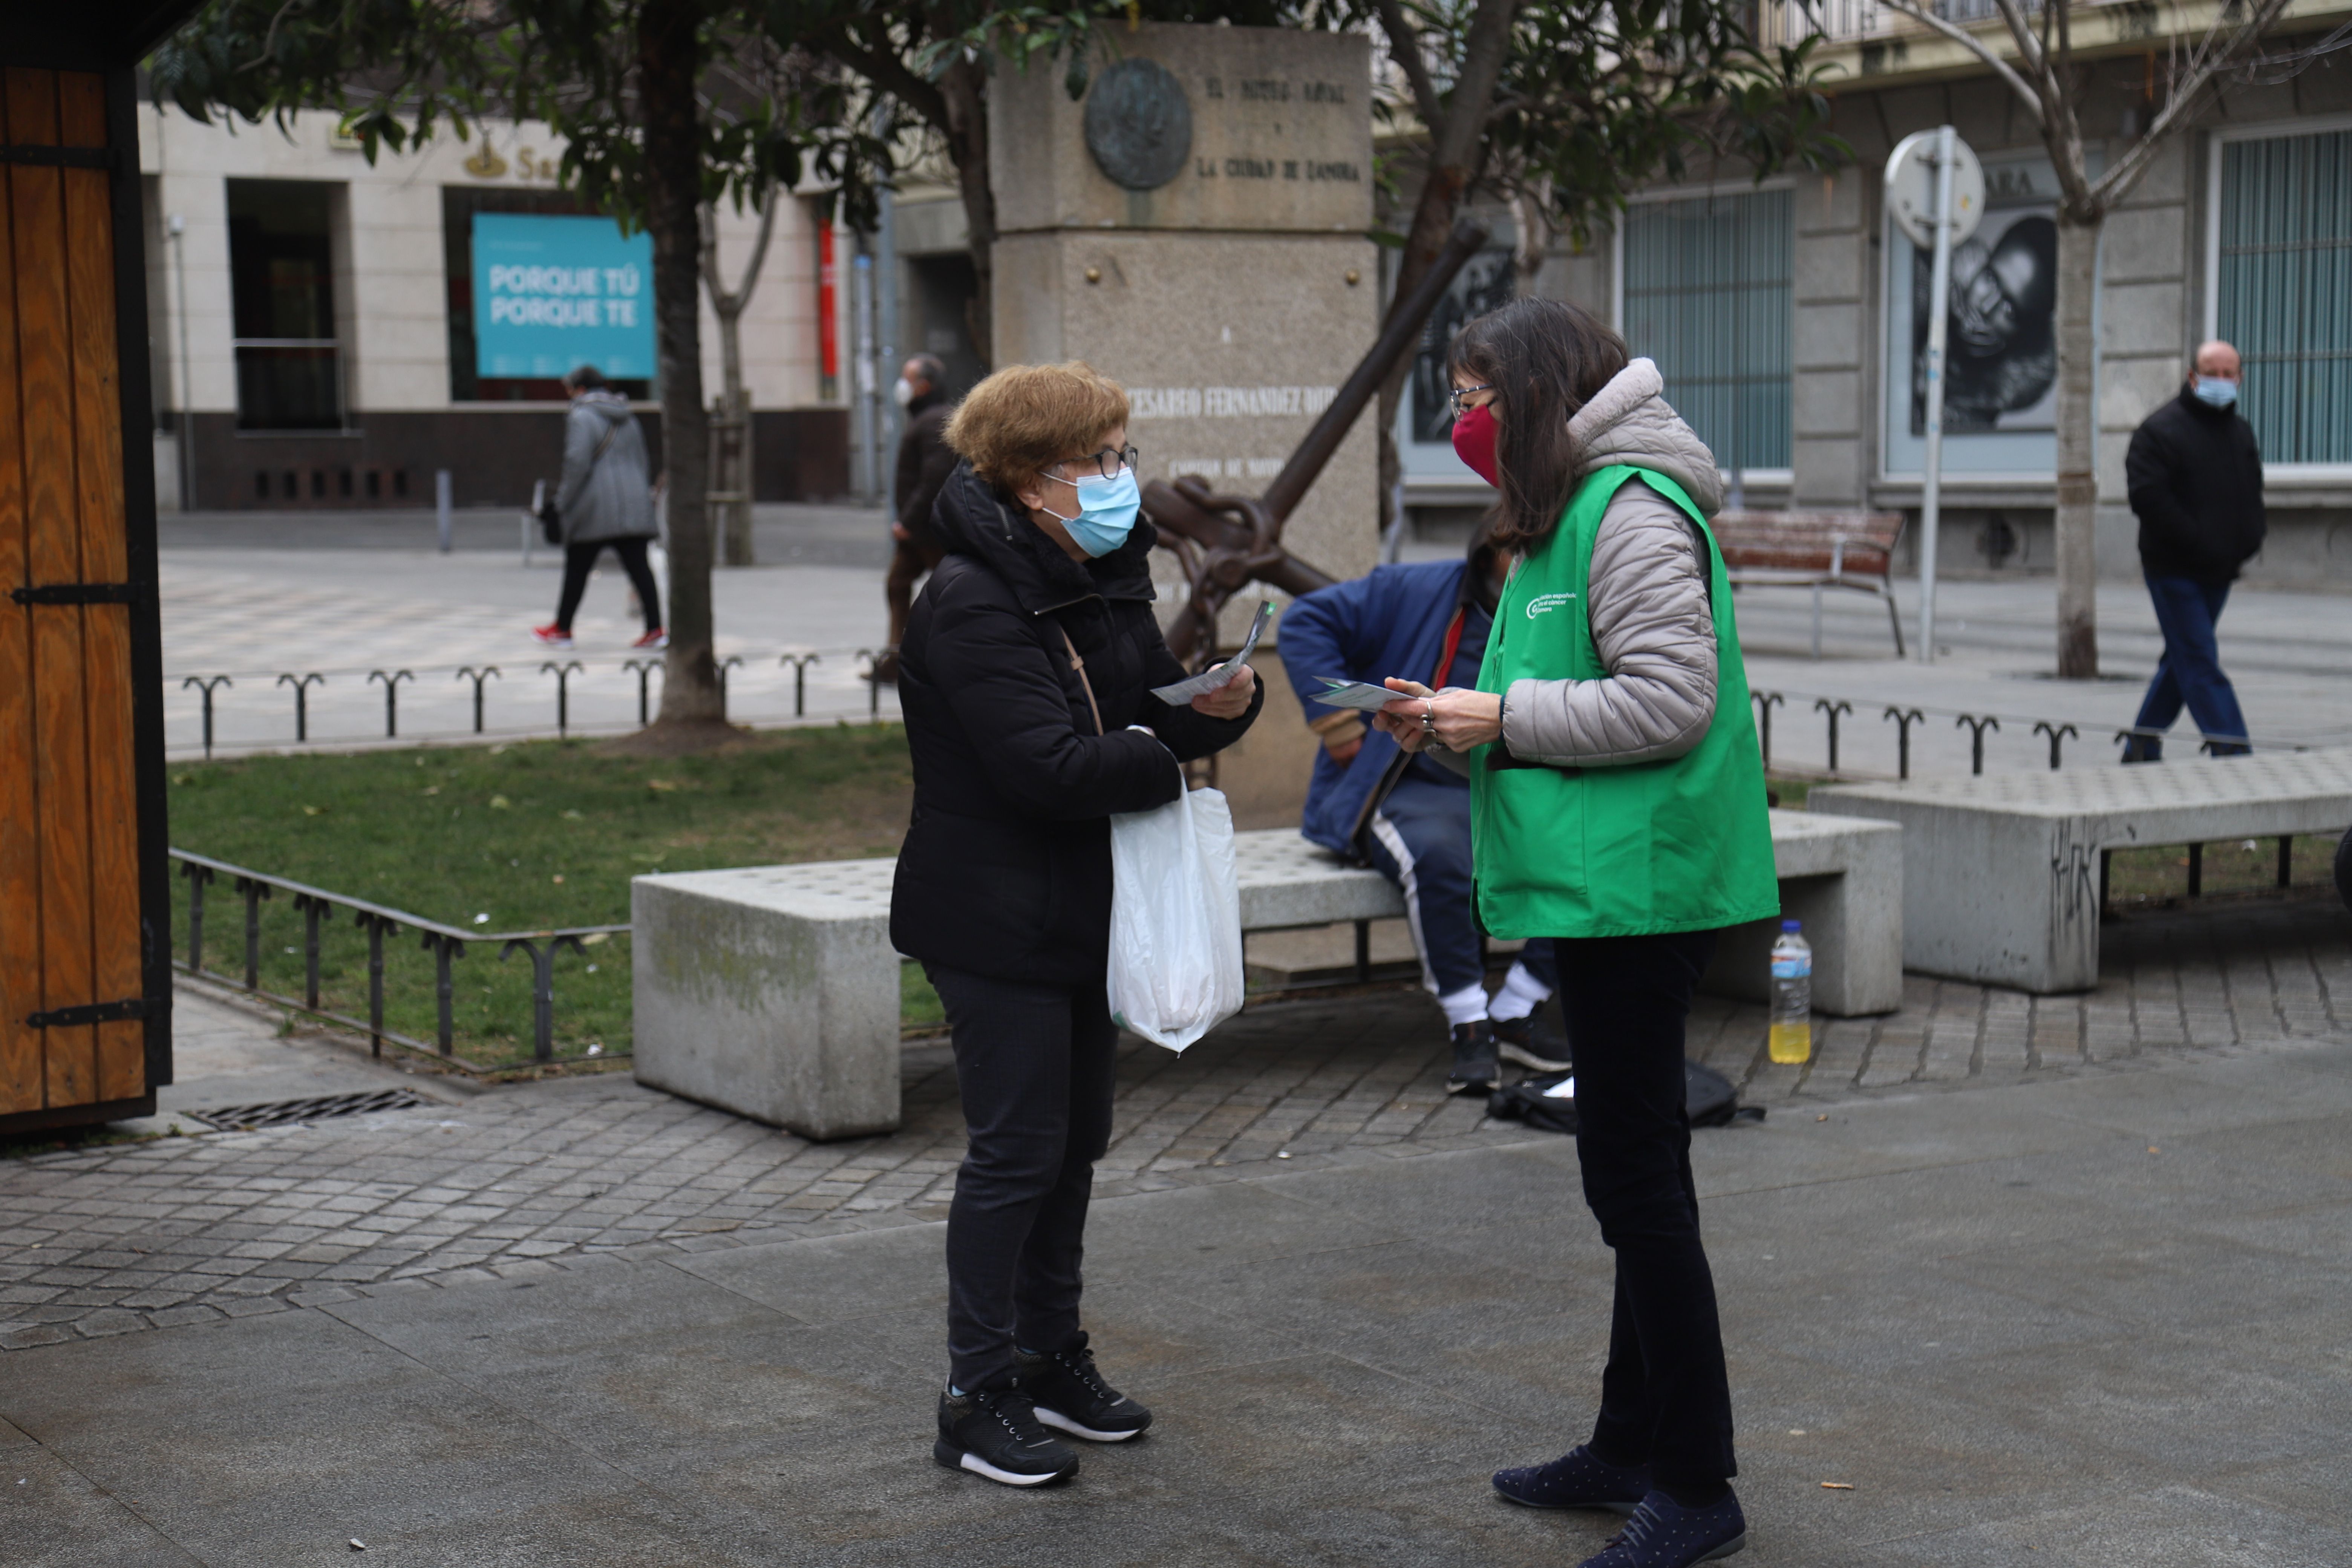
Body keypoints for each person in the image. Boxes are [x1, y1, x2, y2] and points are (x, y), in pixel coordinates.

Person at [1372, 299, 1779, 1568]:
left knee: (1636, 1183)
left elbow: (1667, 699)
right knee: (1637, 1167)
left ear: (1539, 394)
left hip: (1640, 895)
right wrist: (1457, 716)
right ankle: (1627, 1440)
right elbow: (1557, 692)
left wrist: (1497, 717)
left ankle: (1696, 1483)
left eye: (1475, 393)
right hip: (1604, 888)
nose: (1459, 420)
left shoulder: (1636, 507)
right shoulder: (1572, 510)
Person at [889, 360, 1262, 1488]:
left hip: (1083, 912)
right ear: (1027, 479)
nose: (1117, 478)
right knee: (1015, 1154)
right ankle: (972, 1391)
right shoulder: (966, 599)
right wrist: (1161, 750)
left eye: (1117, 454)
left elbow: (1142, 705)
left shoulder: (1101, 570)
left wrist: (1212, 709)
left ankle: (1050, 1356)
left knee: (1072, 1146)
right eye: (1095, 460)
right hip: (990, 916)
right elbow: (1047, 769)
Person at [1278, 528, 1570, 1094]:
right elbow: (1303, 622)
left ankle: (1519, 1006)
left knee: (1589, 847)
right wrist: (1340, 730)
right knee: (1441, 855)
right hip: (1407, 784)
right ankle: (1469, 1022)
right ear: (1492, 554)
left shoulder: (1561, 607)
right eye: (1526, 553)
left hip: (1514, 783)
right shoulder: (1413, 587)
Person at [2120, 339, 2264, 761]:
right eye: (2212, 373)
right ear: (2192, 376)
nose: (2221, 381)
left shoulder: (2240, 431)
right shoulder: (2159, 430)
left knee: (2181, 658)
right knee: (2200, 657)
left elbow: (2252, 493)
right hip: (2174, 569)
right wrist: (2199, 540)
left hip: (2220, 570)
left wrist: (2252, 538)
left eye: (2229, 373)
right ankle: (2234, 754)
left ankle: (2141, 746)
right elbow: (2148, 498)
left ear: (2240, 378)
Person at [531, 365, 664, 651]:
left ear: (579, 390)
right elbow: (642, 459)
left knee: (577, 566)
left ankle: (563, 629)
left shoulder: (581, 416)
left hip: (595, 507)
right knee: (640, 568)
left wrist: (563, 502)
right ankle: (655, 629)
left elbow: (577, 463)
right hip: (632, 503)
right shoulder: (628, 416)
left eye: (569, 390)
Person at [877, 353, 957, 683]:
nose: (902, 386)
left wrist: (907, 522)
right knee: (897, 584)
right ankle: (897, 660)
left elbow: (933, 480)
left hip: (927, 531)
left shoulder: (934, 421)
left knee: (953, 592)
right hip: (920, 532)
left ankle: (926, 659)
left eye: (908, 379)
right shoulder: (927, 419)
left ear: (923, 387)